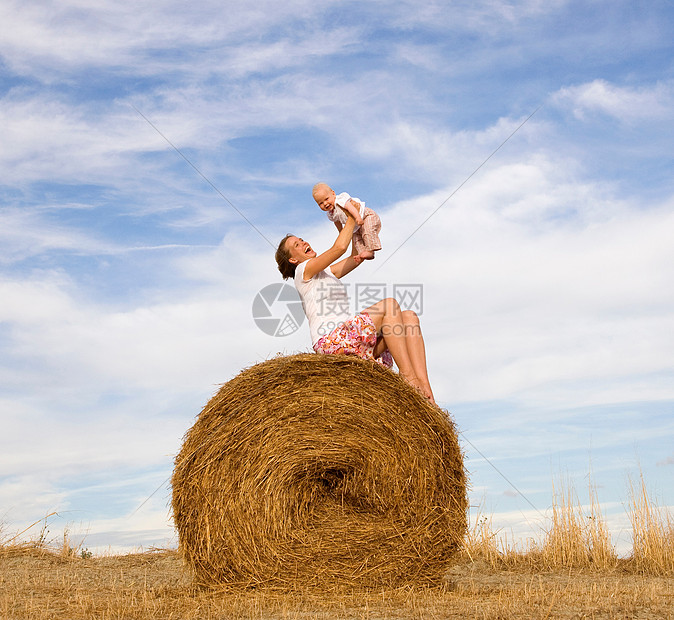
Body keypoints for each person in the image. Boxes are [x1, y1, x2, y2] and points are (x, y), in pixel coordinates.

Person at [275, 211, 435, 403]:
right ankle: (408, 377)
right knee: (390, 306)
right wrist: (353, 214)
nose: (303, 243)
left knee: (409, 317)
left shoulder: (326, 273)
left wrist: (342, 222)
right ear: (293, 259)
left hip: (351, 341)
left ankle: (425, 390)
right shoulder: (303, 271)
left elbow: (354, 256)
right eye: (297, 245)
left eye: (301, 239)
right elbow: (339, 248)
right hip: (331, 342)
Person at [312, 182, 382, 261]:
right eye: (320, 203)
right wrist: (341, 232)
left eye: (326, 199)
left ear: (333, 194)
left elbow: (350, 207)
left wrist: (358, 217)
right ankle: (362, 254)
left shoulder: (339, 200)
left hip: (365, 216)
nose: (325, 203)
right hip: (356, 226)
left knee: (367, 231)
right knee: (356, 240)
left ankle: (370, 250)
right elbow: (337, 221)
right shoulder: (330, 214)